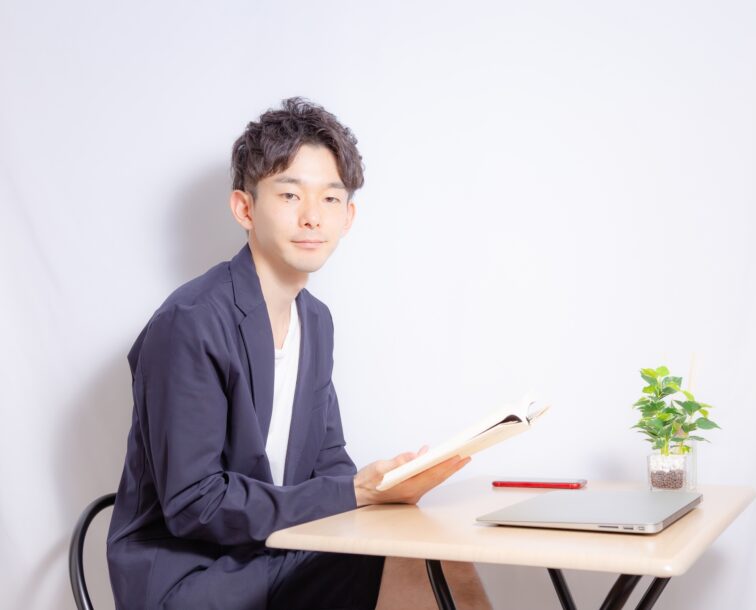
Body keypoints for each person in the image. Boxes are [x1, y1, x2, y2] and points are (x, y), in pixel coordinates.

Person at [107, 97, 492, 609]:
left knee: (430, 549)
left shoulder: (316, 322)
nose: (312, 217)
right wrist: (357, 492)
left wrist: (390, 487)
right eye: (290, 195)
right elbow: (195, 504)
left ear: (348, 217)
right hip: (190, 575)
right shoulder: (191, 322)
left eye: (330, 199)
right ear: (245, 208)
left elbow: (329, 464)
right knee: (420, 561)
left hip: (270, 550)